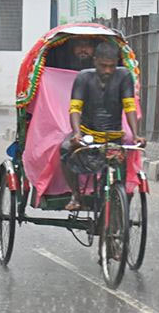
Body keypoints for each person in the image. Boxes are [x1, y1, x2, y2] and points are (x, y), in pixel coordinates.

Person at [60, 42, 146, 211]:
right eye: (103, 66)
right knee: (64, 149)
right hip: (86, 133)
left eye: (112, 66)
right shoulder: (83, 78)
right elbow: (75, 108)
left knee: (123, 161)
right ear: (95, 61)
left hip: (113, 135)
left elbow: (129, 107)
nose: (107, 71)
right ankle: (76, 196)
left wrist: (136, 134)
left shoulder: (124, 76)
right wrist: (77, 133)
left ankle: (119, 200)